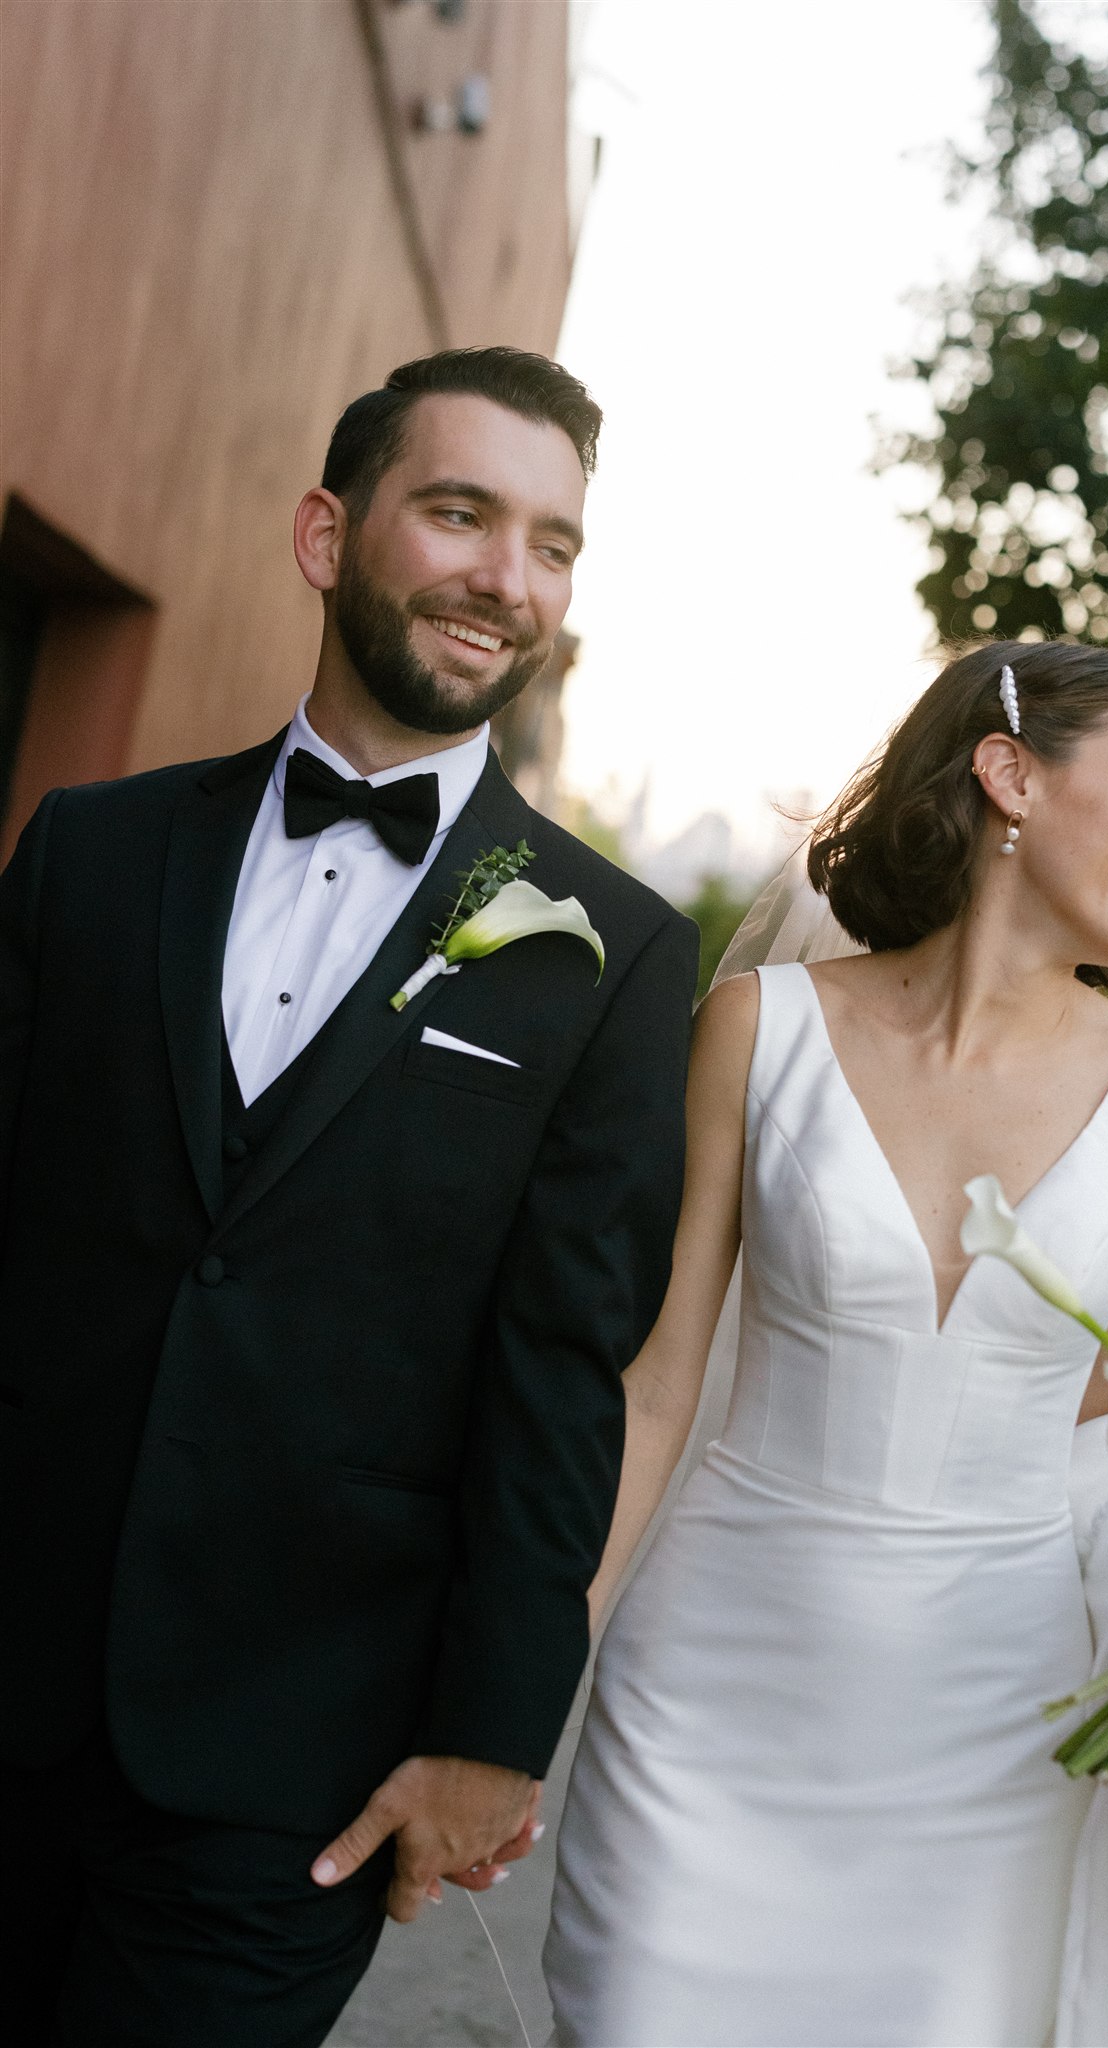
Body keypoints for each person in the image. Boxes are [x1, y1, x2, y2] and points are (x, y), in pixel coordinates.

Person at [0, 346, 698, 2046]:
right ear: (328, 535)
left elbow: (561, 1373)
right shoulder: (91, 851)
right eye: (458, 513)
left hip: (287, 1768)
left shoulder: (606, 958)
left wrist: (494, 1731)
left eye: (549, 544)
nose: (502, 579)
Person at [545, 639, 1108, 2048]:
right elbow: (660, 1385)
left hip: (997, 1742)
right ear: (1010, 776)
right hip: (704, 1707)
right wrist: (529, 1670)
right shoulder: (757, 1028)